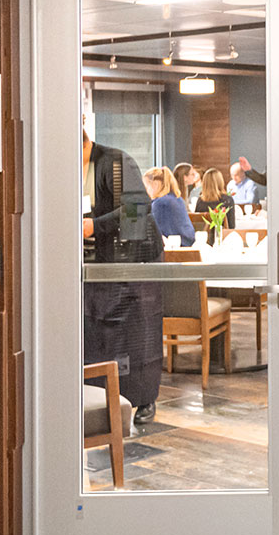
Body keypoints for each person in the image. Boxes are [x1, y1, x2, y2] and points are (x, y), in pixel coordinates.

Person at [82, 130, 166, 426]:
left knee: (138, 332)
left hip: (138, 257)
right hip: (102, 262)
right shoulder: (72, 172)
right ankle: (101, 395)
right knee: (100, 330)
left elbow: (138, 207)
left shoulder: (115, 162)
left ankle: (144, 399)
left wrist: (94, 226)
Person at [144, 166, 196, 247]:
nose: (146, 191)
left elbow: (154, 233)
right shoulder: (177, 199)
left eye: (147, 187)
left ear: (155, 184)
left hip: (175, 249)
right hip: (187, 245)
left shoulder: (160, 203)